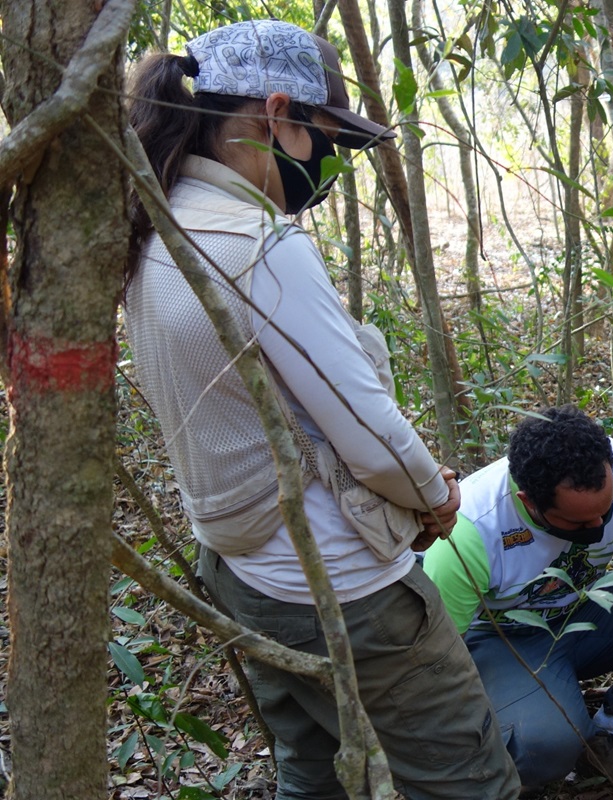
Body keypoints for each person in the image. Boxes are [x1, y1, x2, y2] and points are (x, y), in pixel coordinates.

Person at [123, 20, 518, 799]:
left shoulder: (155, 227)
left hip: (238, 567)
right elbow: (368, 435)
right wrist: (436, 497)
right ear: (277, 115)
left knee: (312, 769)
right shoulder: (259, 246)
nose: (327, 162)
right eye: (325, 138)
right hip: (340, 587)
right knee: (467, 779)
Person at [421, 406, 613, 800]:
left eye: (607, 510)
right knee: (546, 744)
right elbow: (439, 661)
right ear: (529, 502)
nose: (599, 528)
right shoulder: (471, 529)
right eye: (580, 524)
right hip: (502, 639)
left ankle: (611, 736)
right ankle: (522, 754)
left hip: (583, 609)